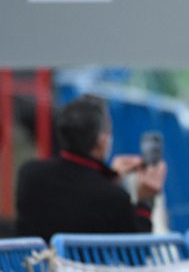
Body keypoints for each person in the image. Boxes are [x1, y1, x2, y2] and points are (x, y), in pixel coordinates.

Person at [15, 95, 167, 242]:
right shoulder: (114, 198)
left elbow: (76, 192)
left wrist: (108, 177)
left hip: (32, 268)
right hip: (77, 269)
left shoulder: (29, 174)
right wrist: (145, 200)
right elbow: (138, 254)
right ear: (101, 141)